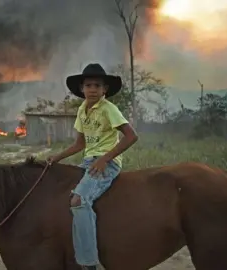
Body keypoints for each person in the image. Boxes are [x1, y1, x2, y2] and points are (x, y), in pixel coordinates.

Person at [47, 63, 138, 269]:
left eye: (97, 85)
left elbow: (132, 136)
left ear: (105, 89)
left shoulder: (109, 109)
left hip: (107, 163)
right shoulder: (82, 110)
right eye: (88, 85)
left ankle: (89, 263)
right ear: (82, 89)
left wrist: (105, 158)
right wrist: (57, 157)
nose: (93, 89)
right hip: (89, 161)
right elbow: (80, 144)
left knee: (79, 200)